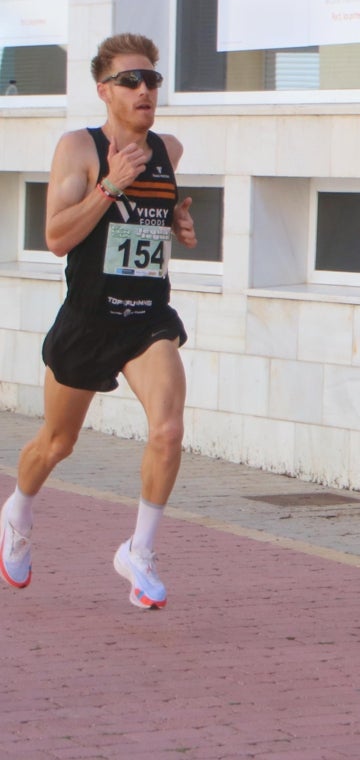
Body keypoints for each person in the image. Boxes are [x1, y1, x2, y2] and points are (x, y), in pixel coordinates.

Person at [0, 33, 196, 609]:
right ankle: (17, 510)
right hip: (88, 320)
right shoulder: (79, 149)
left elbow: (153, 223)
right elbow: (57, 237)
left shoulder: (170, 149)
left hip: (146, 319)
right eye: (131, 81)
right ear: (104, 91)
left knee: (168, 429)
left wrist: (179, 223)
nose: (145, 91)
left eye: (152, 80)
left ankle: (140, 550)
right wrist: (110, 184)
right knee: (57, 443)